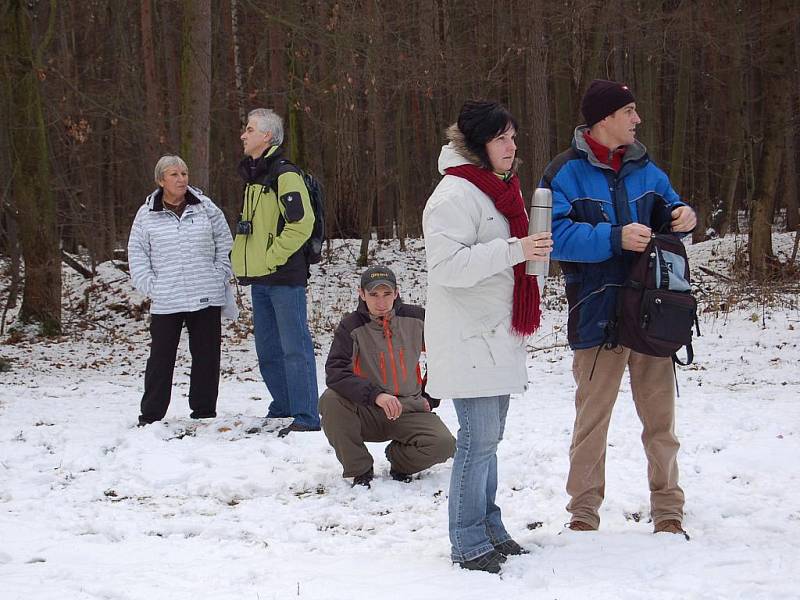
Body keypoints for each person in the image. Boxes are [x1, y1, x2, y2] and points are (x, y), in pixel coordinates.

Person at [541, 79, 697, 538]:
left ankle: (669, 509)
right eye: (629, 110)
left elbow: (672, 207)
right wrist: (614, 237)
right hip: (597, 314)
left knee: (661, 422)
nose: (637, 119)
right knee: (592, 423)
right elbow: (554, 239)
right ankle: (583, 514)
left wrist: (684, 213)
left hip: (654, 314)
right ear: (605, 118)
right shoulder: (562, 173)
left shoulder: (647, 168)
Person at [422, 100, 552, 573]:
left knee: (490, 440)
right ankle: (467, 539)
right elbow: (448, 268)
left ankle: (490, 527)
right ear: (477, 146)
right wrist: (516, 249)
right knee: (478, 439)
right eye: (501, 138)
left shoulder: (502, 190)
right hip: (468, 336)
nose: (512, 146)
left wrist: (524, 251)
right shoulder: (453, 194)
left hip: (497, 333)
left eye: (513, 137)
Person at [319, 265, 456, 488]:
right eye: (373, 295)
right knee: (331, 399)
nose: (381, 302)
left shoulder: (417, 318)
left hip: (409, 409)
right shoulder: (351, 327)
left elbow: (447, 354)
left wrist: (430, 397)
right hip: (367, 411)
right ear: (361, 294)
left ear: (397, 293)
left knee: (444, 444)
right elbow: (335, 372)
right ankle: (360, 468)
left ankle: (400, 461)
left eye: (387, 294)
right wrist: (376, 396)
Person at [230, 108, 321, 438]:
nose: (244, 134)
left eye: (250, 129)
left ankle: (307, 414)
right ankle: (283, 405)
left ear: (267, 136)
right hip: (261, 277)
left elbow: (301, 223)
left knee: (294, 346)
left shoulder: (284, 174)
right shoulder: (254, 177)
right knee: (267, 348)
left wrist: (273, 257)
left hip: (284, 277)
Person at [128, 155, 233, 426]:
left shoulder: (205, 207)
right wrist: (152, 285)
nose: (181, 179)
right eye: (174, 174)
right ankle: (151, 415)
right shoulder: (146, 214)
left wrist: (219, 273)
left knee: (207, 356)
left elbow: (224, 240)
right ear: (161, 180)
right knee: (161, 357)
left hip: (205, 292)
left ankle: (204, 411)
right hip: (167, 297)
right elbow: (137, 253)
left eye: (184, 173)